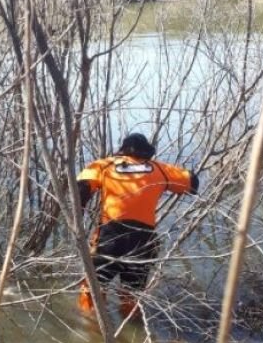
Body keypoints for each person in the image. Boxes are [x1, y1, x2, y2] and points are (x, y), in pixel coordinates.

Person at [75, 132, 198, 319]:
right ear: (147, 152)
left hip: (111, 238)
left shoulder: (105, 165)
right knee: (132, 294)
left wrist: (79, 218)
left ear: (123, 150)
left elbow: (81, 188)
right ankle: (132, 331)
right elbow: (192, 182)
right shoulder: (160, 169)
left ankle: (90, 330)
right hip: (142, 241)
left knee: (92, 288)